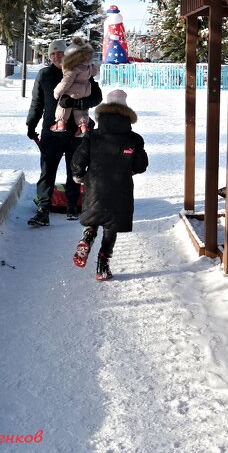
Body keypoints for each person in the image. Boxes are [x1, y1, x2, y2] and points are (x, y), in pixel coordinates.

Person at [71, 89, 149, 281]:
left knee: (94, 215)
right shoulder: (134, 139)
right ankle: (102, 266)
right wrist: (130, 169)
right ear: (126, 109)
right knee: (111, 225)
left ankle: (87, 237)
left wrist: (78, 175)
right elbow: (141, 164)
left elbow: (79, 158)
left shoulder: (92, 135)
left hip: (95, 183)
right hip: (120, 186)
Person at [26, 38, 103, 226]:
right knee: (47, 171)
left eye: (60, 53)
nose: (56, 56)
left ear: (67, 54)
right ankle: (43, 209)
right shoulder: (45, 75)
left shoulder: (80, 71)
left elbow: (96, 97)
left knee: (74, 170)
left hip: (75, 132)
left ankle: (71, 206)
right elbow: (37, 103)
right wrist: (31, 124)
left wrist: (78, 104)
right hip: (51, 132)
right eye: (52, 53)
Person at [51, 36, 97, 137]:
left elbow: (65, 82)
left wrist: (57, 92)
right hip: (85, 90)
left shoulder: (72, 68)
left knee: (63, 104)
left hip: (73, 91)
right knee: (81, 110)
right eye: (53, 54)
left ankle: (61, 123)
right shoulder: (87, 65)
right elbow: (94, 72)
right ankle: (83, 126)